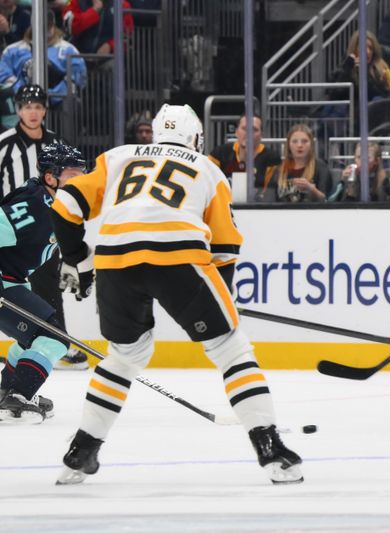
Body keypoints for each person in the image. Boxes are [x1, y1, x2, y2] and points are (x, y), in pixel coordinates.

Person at [50, 104, 303, 485]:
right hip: (180, 255)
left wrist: (78, 260)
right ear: (195, 137)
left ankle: (81, 451)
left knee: (124, 356)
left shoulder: (117, 157)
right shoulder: (208, 168)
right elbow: (225, 248)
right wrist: (222, 306)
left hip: (116, 258)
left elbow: (65, 204)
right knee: (231, 349)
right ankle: (269, 447)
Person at [0, 84, 87, 370]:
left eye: (38, 106)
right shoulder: (5, 143)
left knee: (45, 285)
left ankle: (48, 338)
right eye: (27, 106)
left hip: (46, 226)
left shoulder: (55, 144)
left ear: (45, 110)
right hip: (16, 224)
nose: (33, 112)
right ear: (19, 110)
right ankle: (49, 339)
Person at [0, 143, 85, 423]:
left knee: (33, 338)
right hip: (4, 283)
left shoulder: (56, 206)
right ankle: (17, 397)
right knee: (55, 337)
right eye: (73, 175)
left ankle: (7, 391)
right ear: (51, 177)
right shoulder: (34, 207)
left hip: (14, 281)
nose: (81, 182)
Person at [0, 9, 86, 106]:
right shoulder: (12, 51)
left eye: (48, 25)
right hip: (20, 106)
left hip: (58, 110)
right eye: (41, 24)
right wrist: (24, 93)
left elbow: (77, 78)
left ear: (53, 25)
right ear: (33, 25)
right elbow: (3, 75)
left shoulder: (68, 50)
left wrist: (50, 97)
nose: (45, 28)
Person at [208, 114, 281, 202]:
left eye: (254, 129)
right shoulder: (219, 154)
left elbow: (270, 195)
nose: (249, 133)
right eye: (244, 129)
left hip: (258, 210)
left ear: (261, 135)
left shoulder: (272, 158)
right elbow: (208, 185)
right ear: (236, 132)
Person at [330, 31, 390, 103]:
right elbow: (335, 94)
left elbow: (389, 95)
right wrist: (348, 68)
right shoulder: (346, 67)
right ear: (355, 49)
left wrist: (384, 84)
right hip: (352, 110)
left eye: (371, 48)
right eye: (363, 47)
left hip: (376, 109)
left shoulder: (380, 67)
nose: (368, 52)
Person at [275, 124, 332, 203]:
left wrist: (311, 189)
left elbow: (325, 200)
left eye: (304, 141)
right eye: (295, 141)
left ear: (311, 145)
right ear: (288, 145)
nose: (299, 145)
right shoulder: (280, 169)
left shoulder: (320, 167)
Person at [62, 0, 133, 54]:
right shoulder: (75, 1)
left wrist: (111, 45)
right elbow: (70, 27)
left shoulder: (122, 4)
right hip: (76, 55)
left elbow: (127, 37)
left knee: (113, 65)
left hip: (107, 58)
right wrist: (94, 10)